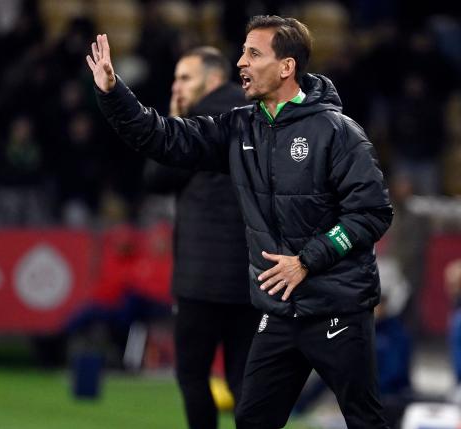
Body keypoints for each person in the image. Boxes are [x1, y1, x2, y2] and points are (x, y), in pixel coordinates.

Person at [86, 14, 393, 429]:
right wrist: (114, 93)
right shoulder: (239, 126)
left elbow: (371, 213)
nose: (240, 64)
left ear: (286, 67)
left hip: (337, 308)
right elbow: (165, 139)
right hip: (280, 312)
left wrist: (305, 261)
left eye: (253, 53)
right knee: (251, 421)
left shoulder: (338, 132)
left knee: (365, 420)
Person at [142, 46, 260, 429]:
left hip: (200, 281)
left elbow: (157, 178)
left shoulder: (197, 125)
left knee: (193, 376)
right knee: (245, 381)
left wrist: (173, 120)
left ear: (212, 80)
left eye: (185, 78)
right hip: (250, 278)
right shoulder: (257, 118)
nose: (176, 86)